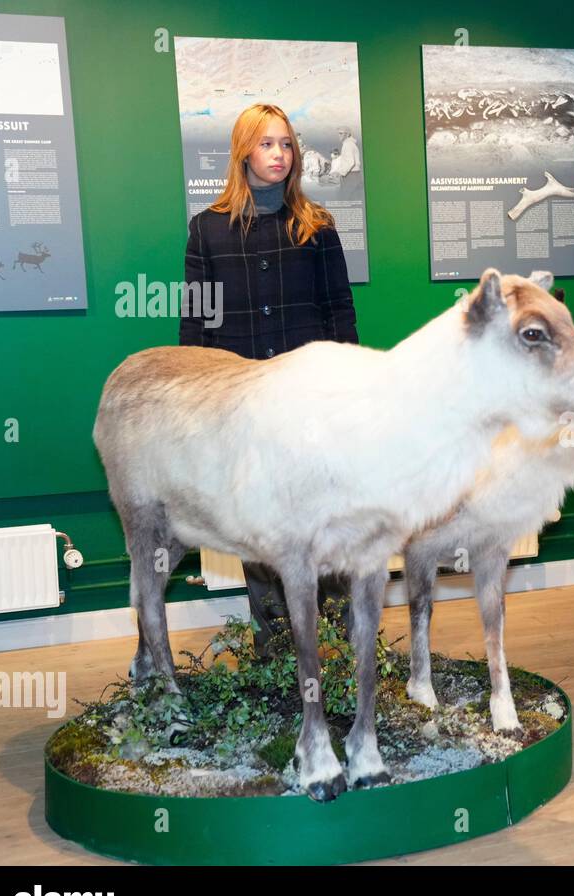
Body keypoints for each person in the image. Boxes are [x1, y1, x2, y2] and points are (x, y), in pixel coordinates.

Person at [180, 103, 358, 651]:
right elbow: (196, 324)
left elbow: (340, 314)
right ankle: (276, 656)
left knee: (324, 526)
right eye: (266, 143)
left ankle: (336, 652)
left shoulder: (318, 227)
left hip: (311, 405)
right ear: (243, 151)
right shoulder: (207, 230)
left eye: (286, 144)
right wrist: (197, 408)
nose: (279, 154)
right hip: (242, 408)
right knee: (260, 535)